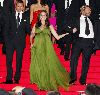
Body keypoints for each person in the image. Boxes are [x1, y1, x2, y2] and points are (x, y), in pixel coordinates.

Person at [30, 10, 70, 90]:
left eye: (44, 15)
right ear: (39, 16)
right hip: (37, 46)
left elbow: (57, 37)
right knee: (40, 63)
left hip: (47, 46)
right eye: (41, 15)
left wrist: (65, 34)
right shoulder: (36, 25)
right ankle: (41, 81)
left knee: (49, 63)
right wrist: (31, 44)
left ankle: (48, 81)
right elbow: (32, 35)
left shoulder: (50, 26)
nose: (43, 17)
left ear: (46, 17)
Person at [1, 0, 30, 84]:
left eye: (21, 6)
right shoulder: (10, 16)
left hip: (20, 42)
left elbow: (28, 30)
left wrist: (34, 32)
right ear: (15, 6)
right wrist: (6, 41)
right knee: (8, 60)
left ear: (23, 7)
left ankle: (17, 78)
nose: (20, 8)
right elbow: (5, 29)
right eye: (18, 6)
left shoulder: (26, 17)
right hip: (10, 42)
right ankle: (9, 78)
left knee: (19, 60)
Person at [69, 5, 94, 85]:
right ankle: (73, 77)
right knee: (73, 60)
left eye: (90, 10)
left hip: (89, 42)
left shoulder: (92, 19)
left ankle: (82, 80)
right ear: (83, 10)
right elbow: (66, 25)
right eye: (88, 10)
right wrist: (71, 30)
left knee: (86, 62)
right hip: (78, 41)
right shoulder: (76, 19)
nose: (90, 11)